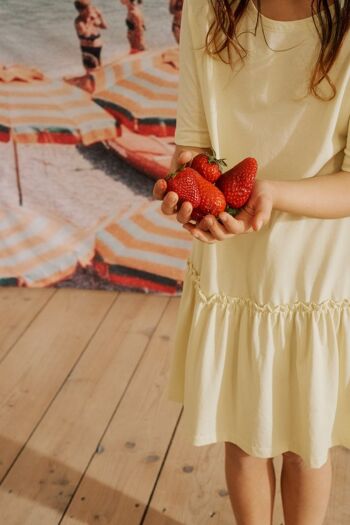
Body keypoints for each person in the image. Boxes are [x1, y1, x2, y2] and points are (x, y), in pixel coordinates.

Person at [153, 1, 350, 524]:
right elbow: (192, 144)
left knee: (307, 444)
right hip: (231, 262)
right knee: (243, 436)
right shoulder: (205, 10)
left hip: (313, 272)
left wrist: (273, 194)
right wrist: (191, 200)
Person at [74, 0, 107, 71]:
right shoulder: (79, 22)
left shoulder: (91, 17)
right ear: (82, 11)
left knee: (99, 67)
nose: (91, 9)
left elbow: (104, 26)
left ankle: (99, 80)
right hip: (88, 48)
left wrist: (100, 16)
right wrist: (91, 21)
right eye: (89, 8)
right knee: (90, 69)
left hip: (97, 47)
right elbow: (86, 34)